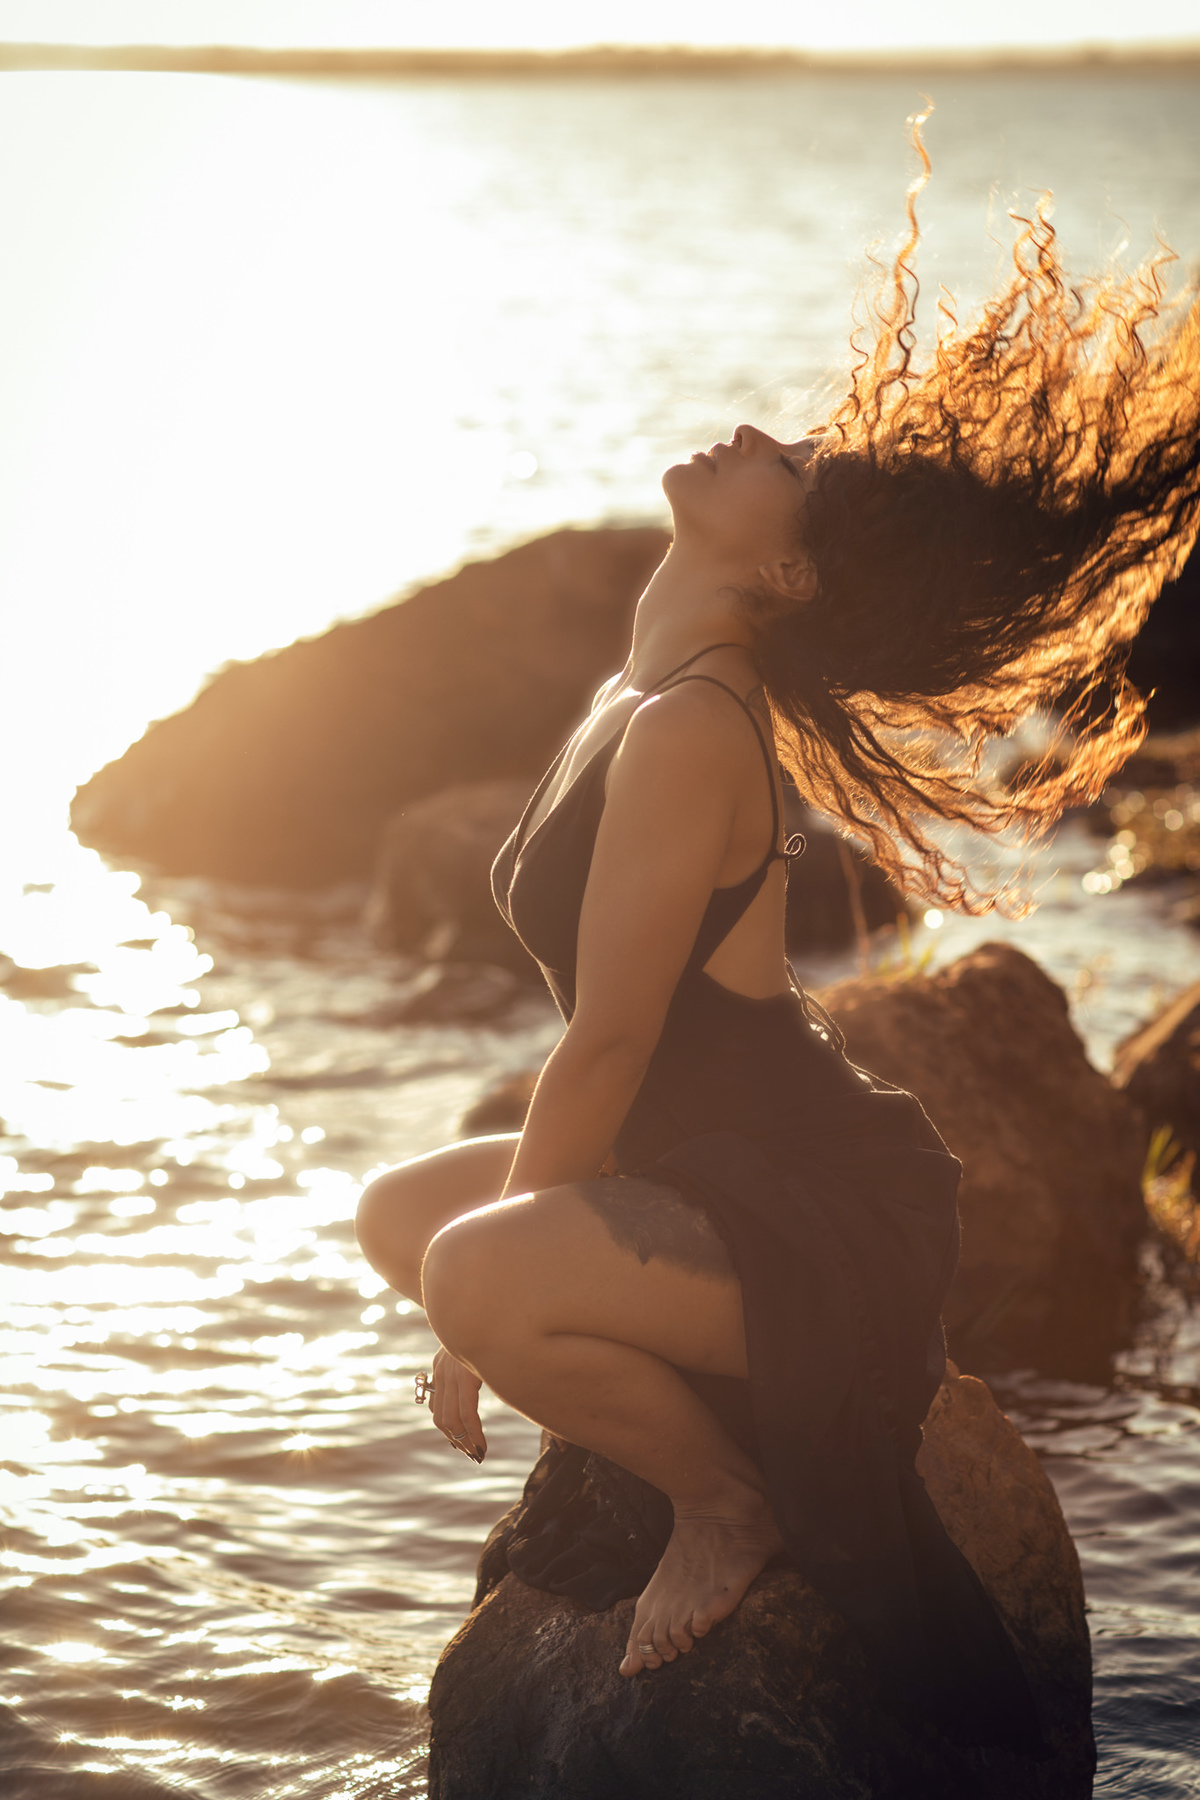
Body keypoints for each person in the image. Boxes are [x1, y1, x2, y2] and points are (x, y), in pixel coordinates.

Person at [355, 155, 1200, 1747]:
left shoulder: (691, 728)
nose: (764, 432)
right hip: (703, 1174)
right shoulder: (641, 685)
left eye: (793, 463)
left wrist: (479, 1319)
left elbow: (606, 1045)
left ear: (788, 572)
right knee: (399, 1211)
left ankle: (724, 1498)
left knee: (466, 1266)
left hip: (812, 1215)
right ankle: (650, 1380)